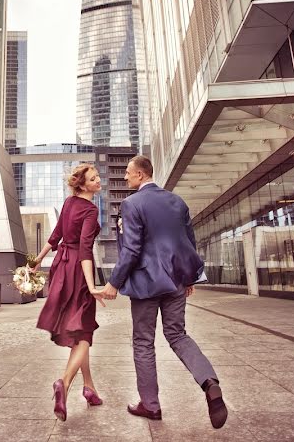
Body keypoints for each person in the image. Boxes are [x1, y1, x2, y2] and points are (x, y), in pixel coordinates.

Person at [101, 155, 228, 429]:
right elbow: (188, 242)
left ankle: (150, 405)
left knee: (144, 342)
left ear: (139, 175)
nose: (124, 177)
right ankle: (210, 382)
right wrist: (189, 277)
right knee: (178, 335)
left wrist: (113, 282)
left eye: (127, 173)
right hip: (176, 283)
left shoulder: (132, 203)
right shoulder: (177, 202)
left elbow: (132, 249)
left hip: (146, 284)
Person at [32, 163, 107, 421]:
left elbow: (56, 236)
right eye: (93, 179)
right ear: (83, 185)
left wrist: (38, 261)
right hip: (78, 268)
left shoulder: (68, 202)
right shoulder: (90, 209)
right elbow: (85, 248)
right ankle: (63, 383)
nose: (98, 181)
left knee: (77, 331)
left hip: (61, 267)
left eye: (98, 177)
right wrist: (92, 286)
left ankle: (89, 388)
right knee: (84, 331)